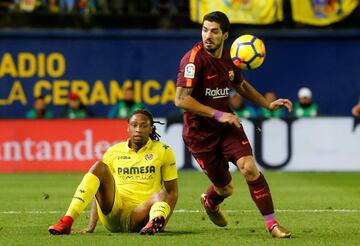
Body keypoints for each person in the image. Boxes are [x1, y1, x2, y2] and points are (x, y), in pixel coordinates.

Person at [175, 11, 292, 238]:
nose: (208, 35)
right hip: (200, 135)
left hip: (227, 128)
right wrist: (217, 114)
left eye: (214, 31)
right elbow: (181, 99)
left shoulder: (232, 57)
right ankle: (210, 201)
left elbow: (241, 85)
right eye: (205, 30)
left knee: (249, 168)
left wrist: (267, 105)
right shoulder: (192, 60)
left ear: (225, 35)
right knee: (225, 188)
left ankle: (272, 224)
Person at [48, 109, 178, 235]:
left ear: (151, 129)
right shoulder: (113, 152)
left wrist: (164, 221)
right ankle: (66, 222)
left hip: (141, 215)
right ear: (128, 128)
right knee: (99, 167)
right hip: (114, 214)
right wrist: (91, 226)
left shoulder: (163, 151)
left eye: (143, 126)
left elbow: (172, 192)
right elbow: (97, 189)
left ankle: (154, 223)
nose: (138, 129)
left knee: (162, 194)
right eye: (134, 125)